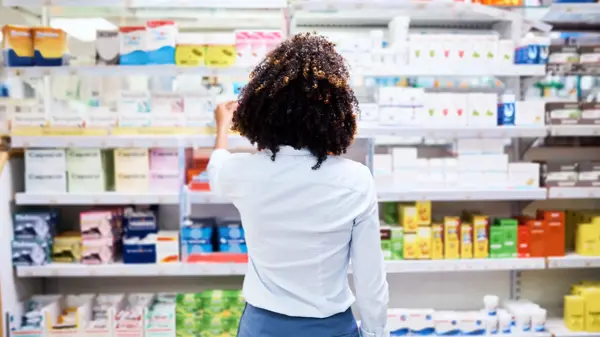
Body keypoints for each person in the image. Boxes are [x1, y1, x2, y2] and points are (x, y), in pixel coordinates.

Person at [207, 33, 389, 337]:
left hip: (263, 327)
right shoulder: (355, 180)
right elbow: (371, 278)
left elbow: (216, 168)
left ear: (261, 110)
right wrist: (375, 332)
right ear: (335, 115)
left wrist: (223, 126)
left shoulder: (242, 172)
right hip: (332, 328)